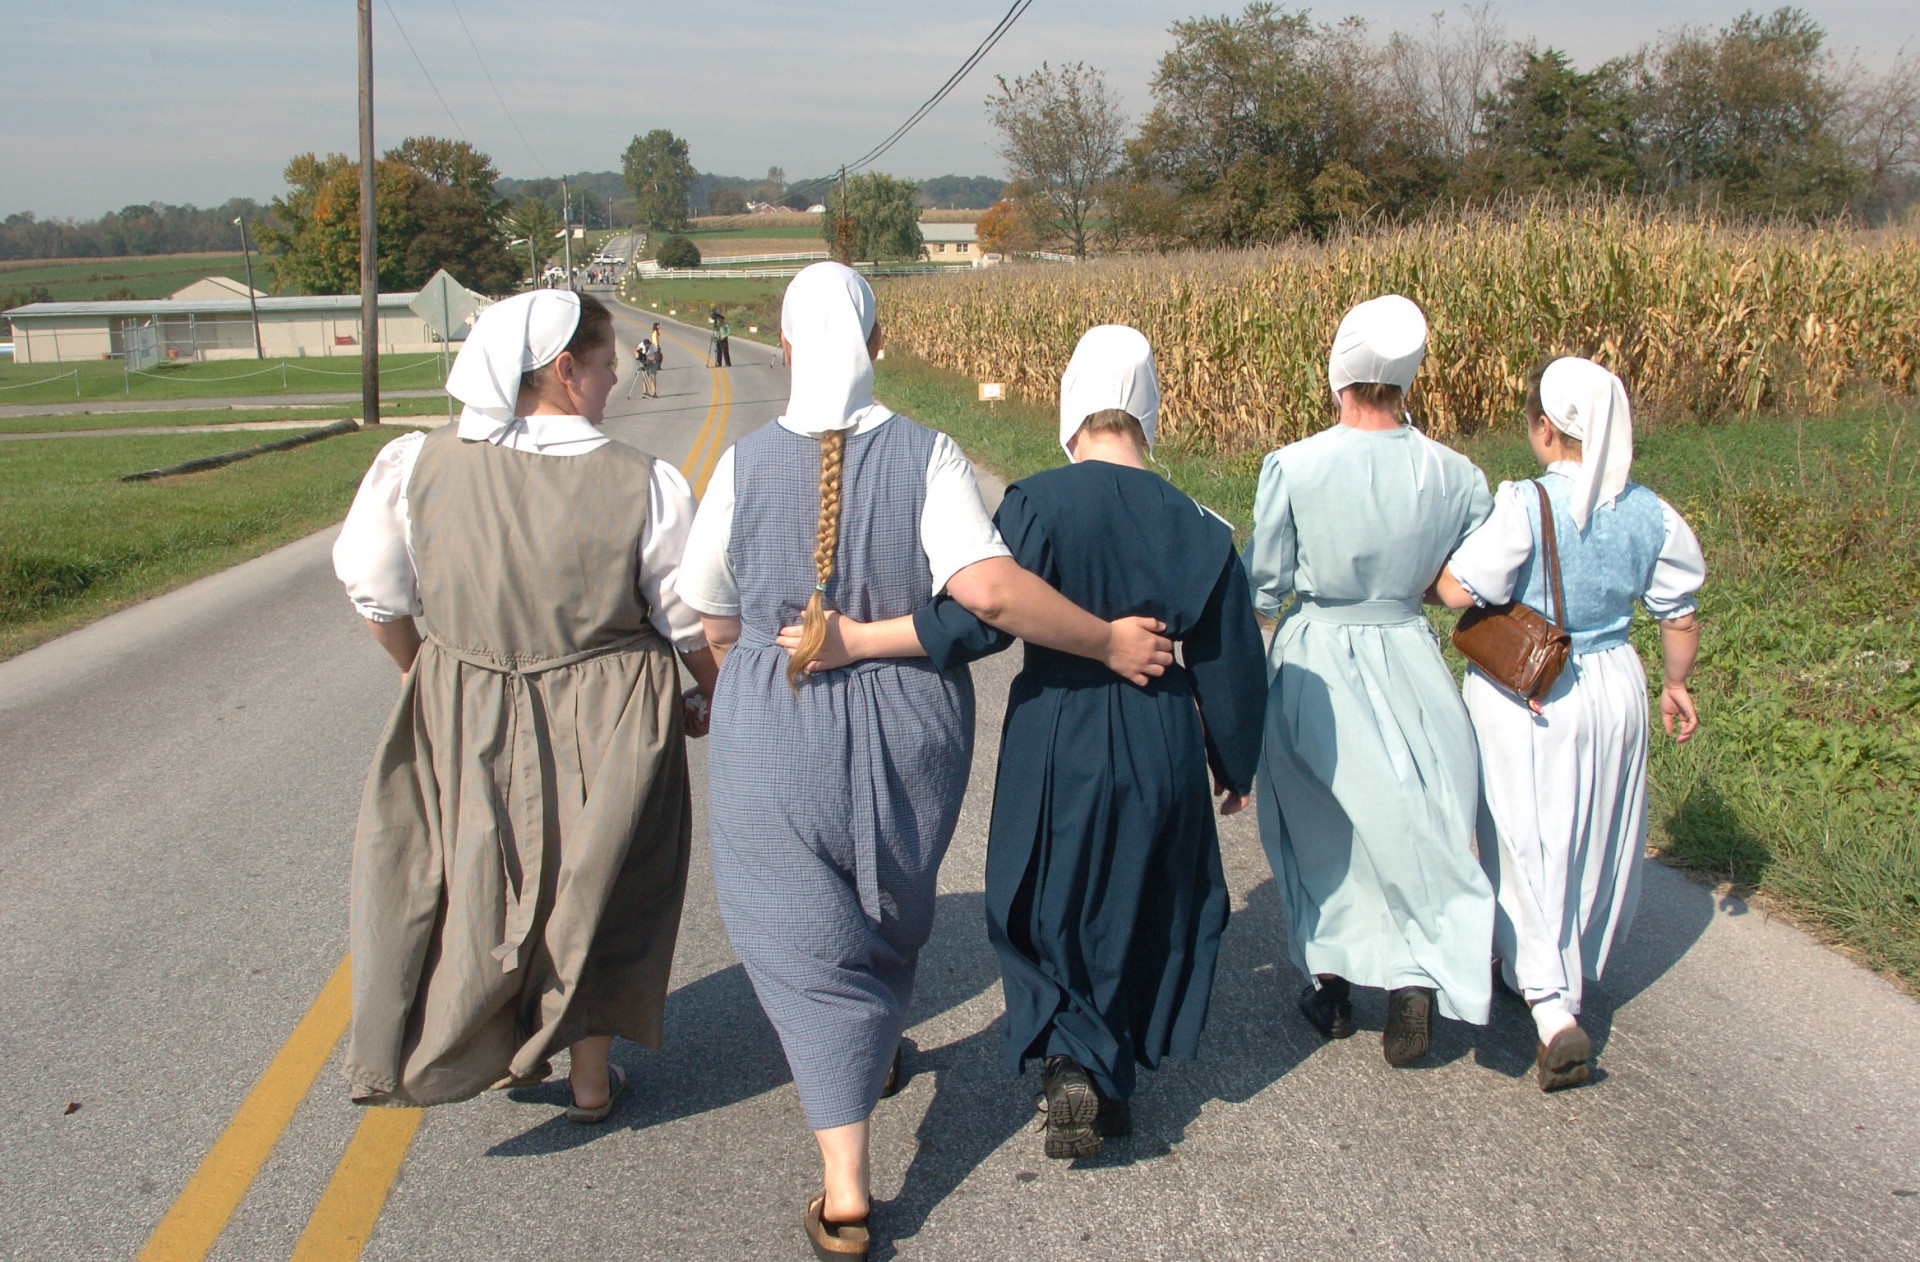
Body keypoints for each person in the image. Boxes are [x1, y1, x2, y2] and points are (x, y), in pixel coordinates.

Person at [678, 263, 1174, 1259]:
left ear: (786, 346)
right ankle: (865, 1076)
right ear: (877, 345)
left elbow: (708, 613)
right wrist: (1107, 640)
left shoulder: (739, 464)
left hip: (777, 717)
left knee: (802, 943)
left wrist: (741, 691)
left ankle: (846, 1187)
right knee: (883, 907)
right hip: (909, 729)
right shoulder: (930, 451)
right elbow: (988, 591)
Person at [816, 326, 1267, 1159]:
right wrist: (1233, 762)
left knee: (1046, 893)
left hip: (1060, 722)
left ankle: (1070, 1055)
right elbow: (1232, 662)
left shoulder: (1037, 503)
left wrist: (861, 640)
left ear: (1072, 407)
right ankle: (1107, 1070)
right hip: (1161, 731)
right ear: (1150, 411)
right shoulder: (1201, 525)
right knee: (1140, 894)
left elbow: (976, 620)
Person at [332, 289, 719, 1117]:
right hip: (611, 706)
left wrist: (420, 672)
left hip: (465, 700)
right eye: (606, 365)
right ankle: (588, 1076)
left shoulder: (419, 463)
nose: (615, 380)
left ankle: (481, 1040)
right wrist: (713, 695)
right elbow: (690, 620)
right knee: (601, 884)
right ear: (564, 369)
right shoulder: (642, 482)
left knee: (476, 872)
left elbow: (373, 588)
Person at [1434, 357, 1705, 1091]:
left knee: (1525, 835)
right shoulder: (1654, 513)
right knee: (1595, 830)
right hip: (1615, 680)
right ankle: (1561, 965)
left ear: (1545, 429)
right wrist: (1676, 682)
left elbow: (1459, 589)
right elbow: (1679, 613)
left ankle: (1551, 1007)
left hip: (1532, 688)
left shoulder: (1526, 503)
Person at [1245, 294, 1497, 1066]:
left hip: (1319, 654)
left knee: (1320, 823)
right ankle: (1415, 974)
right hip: (1409, 649)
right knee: (1416, 812)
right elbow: (1470, 576)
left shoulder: (1297, 465)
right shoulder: (1455, 474)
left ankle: (1330, 983)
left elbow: (1264, 586)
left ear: (1338, 373)